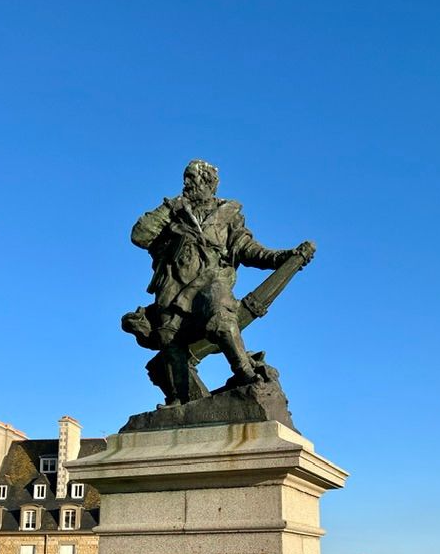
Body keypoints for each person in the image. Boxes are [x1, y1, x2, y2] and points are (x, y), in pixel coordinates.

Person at [127, 159, 311, 405]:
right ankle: (179, 402)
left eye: (191, 178)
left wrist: (281, 257)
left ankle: (244, 370)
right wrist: (171, 209)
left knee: (222, 319)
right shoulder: (174, 212)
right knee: (169, 341)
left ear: (207, 183)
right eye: (185, 178)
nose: (186, 183)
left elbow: (248, 249)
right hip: (172, 289)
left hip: (210, 280)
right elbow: (139, 235)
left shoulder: (227, 214)